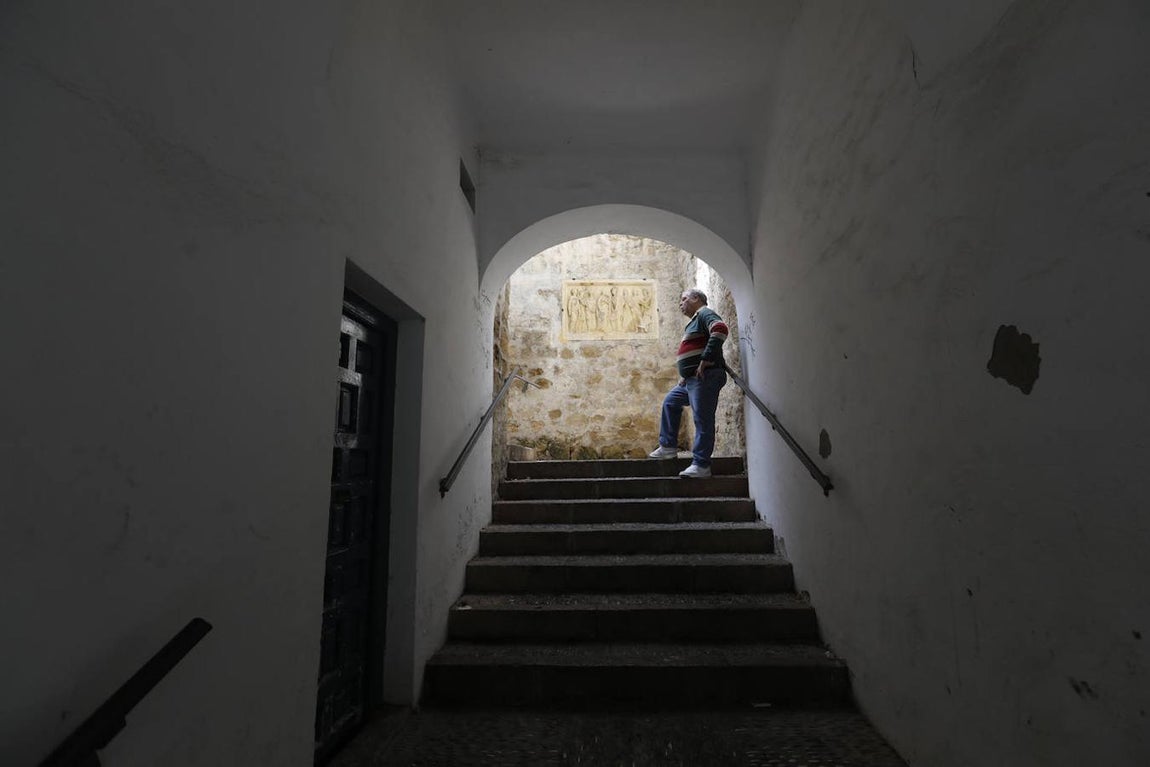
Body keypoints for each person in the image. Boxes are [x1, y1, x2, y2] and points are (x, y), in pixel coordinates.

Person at [648, 288, 729, 477]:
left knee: (702, 418)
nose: (680, 303)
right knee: (670, 402)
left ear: (696, 298)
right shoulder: (694, 322)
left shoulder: (704, 313)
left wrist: (706, 359)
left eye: (684, 299)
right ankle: (668, 447)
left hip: (705, 376)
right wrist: (686, 373)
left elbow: (720, 329)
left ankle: (701, 465)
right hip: (691, 379)